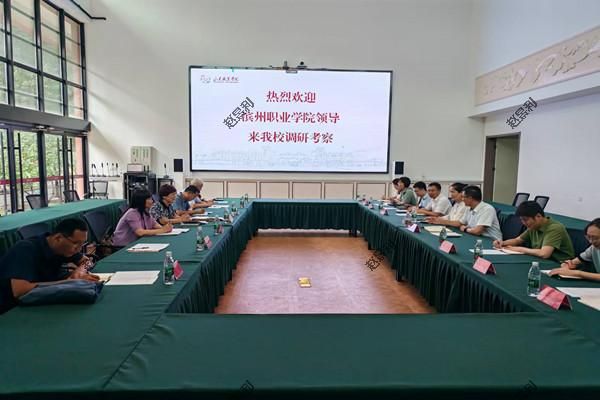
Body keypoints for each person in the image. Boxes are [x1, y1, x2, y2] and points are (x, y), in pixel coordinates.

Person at [0, 218, 99, 314]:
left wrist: (80, 271)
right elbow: (20, 290)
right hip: (10, 309)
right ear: (58, 238)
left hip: (40, 300)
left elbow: (88, 261)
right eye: (75, 243)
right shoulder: (25, 249)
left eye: (82, 244)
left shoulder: (64, 248)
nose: (79, 249)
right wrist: (70, 282)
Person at [493, 201, 574, 262]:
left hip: (559, 264)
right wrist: (502, 243)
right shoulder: (533, 226)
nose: (523, 223)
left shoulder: (554, 228)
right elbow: (517, 240)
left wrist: (520, 249)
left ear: (538, 216)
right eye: (521, 220)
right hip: (542, 261)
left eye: (525, 220)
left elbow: (544, 253)